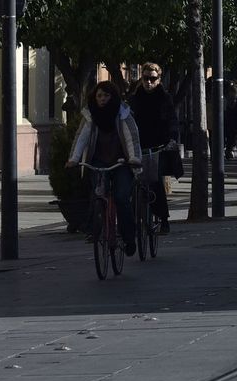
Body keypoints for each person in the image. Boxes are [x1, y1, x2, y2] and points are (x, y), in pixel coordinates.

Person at [67, 80, 143, 255]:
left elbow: (132, 138)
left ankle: (128, 238)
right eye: (99, 95)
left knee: (121, 197)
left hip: (122, 162)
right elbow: (81, 138)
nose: (102, 99)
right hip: (99, 162)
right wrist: (73, 159)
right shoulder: (90, 115)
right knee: (98, 194)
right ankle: (95, 230)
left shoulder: (123, 114)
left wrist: (134, 158)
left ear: (113, 97)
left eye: (106, 95)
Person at [126, 63, 180, 235]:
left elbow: (172, 120)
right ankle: (131, 221)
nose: (148, 82)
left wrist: (172, 140)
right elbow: (127, 120)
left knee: (155, 181)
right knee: (132, 182)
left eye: (152, 78)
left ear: (159, 79)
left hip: (158, 146)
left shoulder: (165, 98)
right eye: (145, 78)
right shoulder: (134, 98)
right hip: (137, 145)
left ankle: (164, 219)